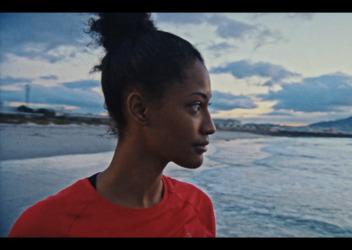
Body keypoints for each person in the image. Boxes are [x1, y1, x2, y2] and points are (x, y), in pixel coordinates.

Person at [8, 13, 217, 237]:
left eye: (207, 106)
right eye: (195, 106)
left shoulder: (198, 207)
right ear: (140, 109)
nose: (210, 127)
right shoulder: (45, 226)